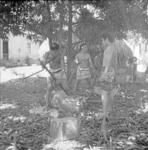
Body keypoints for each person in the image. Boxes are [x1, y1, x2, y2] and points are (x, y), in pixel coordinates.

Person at [40, 42, 68, 109]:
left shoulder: (60, 55)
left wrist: (60, 78)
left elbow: (63, 67)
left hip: (59, 72)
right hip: (51, 72)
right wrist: (43, 64)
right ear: (51, 49)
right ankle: (47, 105)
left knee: (65, 88)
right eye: (53, 50)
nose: (54, 52)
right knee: (49, 88)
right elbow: (43, 64)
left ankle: (65, 104)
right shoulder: (47, 54)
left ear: (58, 49)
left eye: (56, 50)